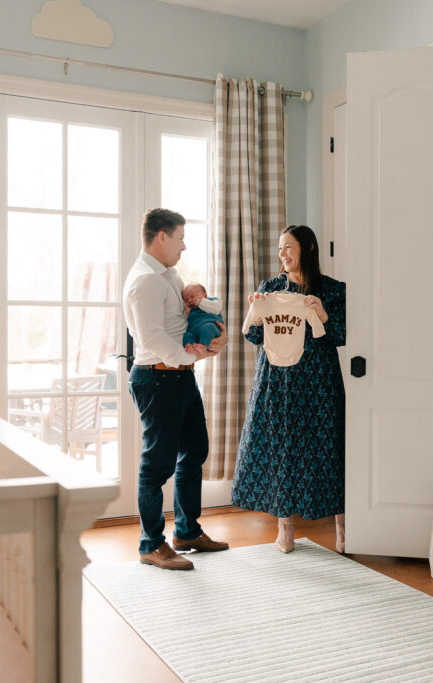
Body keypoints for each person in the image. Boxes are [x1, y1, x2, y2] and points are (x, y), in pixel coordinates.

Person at [123, 208, 230, 570]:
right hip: (157, 377)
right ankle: (150, 544)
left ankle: (186, 531)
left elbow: (180, 323)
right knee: (157, 465)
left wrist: (213, 337)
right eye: (181, 238)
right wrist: (193, 359)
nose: (184, 246)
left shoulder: (168, 274)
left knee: (195, 450)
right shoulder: (145, 281)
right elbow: (152, 337)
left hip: (179, 376)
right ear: (162, 237)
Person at [231, 225, 347, 553]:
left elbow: (340, 336)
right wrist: (256, 310)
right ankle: (285, 526)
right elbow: (253, 337)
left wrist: (321, 312)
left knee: (329, 448)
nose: (282, 254)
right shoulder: (270, 288)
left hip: (319, 382)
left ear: (308, 248)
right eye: (280, 248)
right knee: (279, 448)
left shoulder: (333, 289)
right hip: (277, 381)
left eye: (288, 247)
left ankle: (342, 525)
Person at [181, 283, 224, 354]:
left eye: (193, 297)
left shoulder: (212, 301)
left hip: (211, 327)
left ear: (205, 295)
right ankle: (191, 347)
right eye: (186, 300)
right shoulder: (191, 309)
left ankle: (203, 346)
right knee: (187, 335)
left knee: (208, 328)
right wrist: (186, 313)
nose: (190, 300)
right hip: (194, 330)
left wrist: (201, 302)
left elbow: (217, 309)